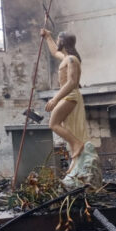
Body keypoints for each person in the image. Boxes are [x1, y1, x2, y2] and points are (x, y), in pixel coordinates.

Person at [40, 29, 89, 173]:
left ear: (62, 41)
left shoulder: (72, 60)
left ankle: (76, 143)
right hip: (68, 96)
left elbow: (72, 82)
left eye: (57, 39)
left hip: (70, 95)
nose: (57, 42)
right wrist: (47, 36)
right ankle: (75, 149)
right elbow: (55, 52)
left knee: (53, 123)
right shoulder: (67, 58)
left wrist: (55, 99)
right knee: (57, 124)